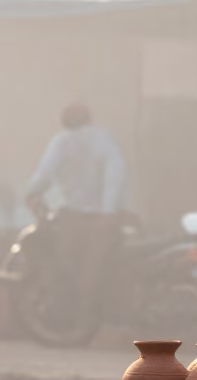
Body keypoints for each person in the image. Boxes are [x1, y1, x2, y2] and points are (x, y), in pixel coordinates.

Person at [25, 103, 128, 314]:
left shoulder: (63, 141)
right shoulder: (104, 138)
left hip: (76, 217)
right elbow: (116, 172)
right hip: (107, 217)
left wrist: (31, 194)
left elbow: (45, 174)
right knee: (98, 264)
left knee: (67, 263)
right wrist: (109, 210)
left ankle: (74, 313)